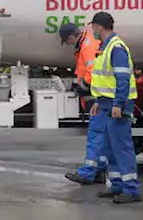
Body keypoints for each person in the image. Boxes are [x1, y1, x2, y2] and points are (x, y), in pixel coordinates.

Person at [88, 11, 141, 204]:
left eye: (93, 26)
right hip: (106, 103)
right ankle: (118, 184)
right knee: (110, 148)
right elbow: (106, 80)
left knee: (122, 147)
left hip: (117, 104)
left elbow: (123, 79)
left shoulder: (116, 47)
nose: (92, 30)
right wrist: (98, 101)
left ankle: (132, 189)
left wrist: (118, 103)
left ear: (98, 27)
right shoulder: (106, 46)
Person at [60, 21, 107, 186]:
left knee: (95, 136)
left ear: (72, 36)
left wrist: (82, 87)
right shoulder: (86, 43)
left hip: (95, 97)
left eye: (67, 41)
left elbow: (92, 71)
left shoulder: (87, 46)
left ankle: (88, 173)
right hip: (97, 96)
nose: (68, 44)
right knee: (100, 136)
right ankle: (99, 172)